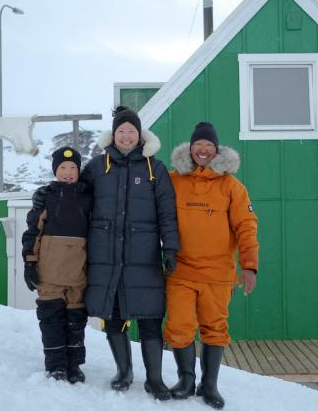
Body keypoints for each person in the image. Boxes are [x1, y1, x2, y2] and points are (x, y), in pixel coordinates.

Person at [81, 106, 179, 400]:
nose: (126, 136)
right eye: (121, 131)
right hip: (106, 256)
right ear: (113, 135)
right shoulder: (97, 167)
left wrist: (170, 248)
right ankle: (124, 371)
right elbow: (78, 202)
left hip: (144, 257)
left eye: (131, 131)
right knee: (113, 315)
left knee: (150, 317)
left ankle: (155, 379)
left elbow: (167, 213)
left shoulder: (155, 169)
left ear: (140, 136)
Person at [164, 122, 259, 409]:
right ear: (190, 149)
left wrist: (249, 266)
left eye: (208, 146)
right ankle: (186, 380)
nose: (203, 150)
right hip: (180, 270)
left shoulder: (232, 186)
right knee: (179, 327)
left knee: (214, 329)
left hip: (218, 273)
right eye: (198, 145)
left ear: (216, 150)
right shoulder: (172, 181)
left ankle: (209, 386)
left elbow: (246, 226)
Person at [21, 147, 93, 384]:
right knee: (51, 321)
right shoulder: (46, 196)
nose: (68, 172)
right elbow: (32, 231)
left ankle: (74, 365)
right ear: (55, 170)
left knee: (75, 322)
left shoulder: (88, 197)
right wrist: (29, 262)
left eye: (73, 168)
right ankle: (56, 366)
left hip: (78, 274)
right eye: (62, 167)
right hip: (49, 272)